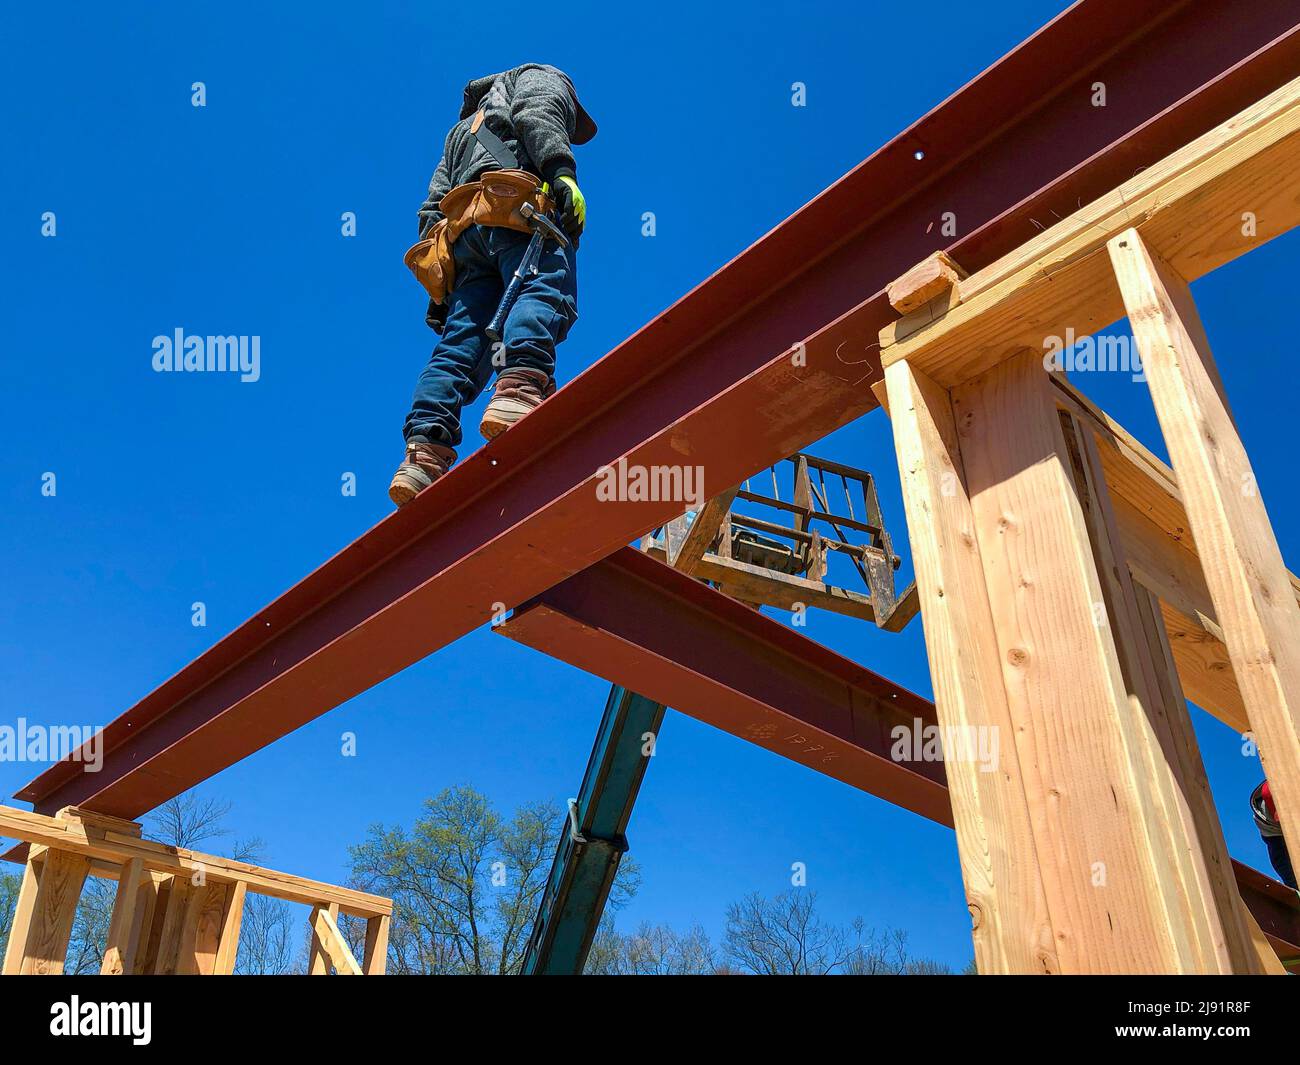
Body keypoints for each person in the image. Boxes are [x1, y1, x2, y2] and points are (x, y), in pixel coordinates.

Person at [390, 64, 595, 506]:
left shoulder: (459, 130)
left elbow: (431, 208)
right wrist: (562, 172)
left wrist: (440, 286)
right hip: (515, 205)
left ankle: (423, 454)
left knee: (461, 343)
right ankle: (520, 385)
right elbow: (539, 113)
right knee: (541, 286)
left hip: (465, 235)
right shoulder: (540, 76)